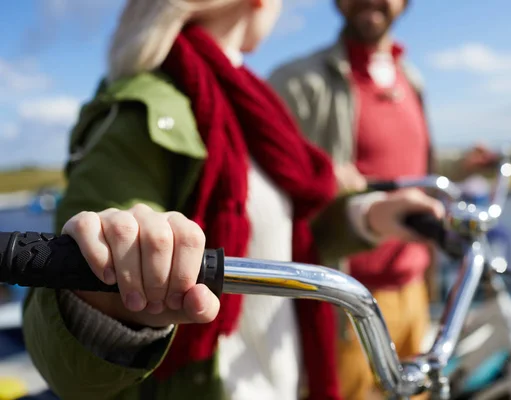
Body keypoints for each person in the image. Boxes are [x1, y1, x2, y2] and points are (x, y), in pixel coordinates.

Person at [21, 1, 445, 399]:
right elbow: (66, 356)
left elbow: (281, 241)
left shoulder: (255, 105)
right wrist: (116, 290)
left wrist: (368, 217)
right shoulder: (142, 105)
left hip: (285, 379)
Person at [268, 0, 497, 398]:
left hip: (417, 291)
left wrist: (461, 167)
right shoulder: (296, 83)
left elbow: (409, 166)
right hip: (343, 303)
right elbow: (267, 189)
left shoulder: (411, 78)